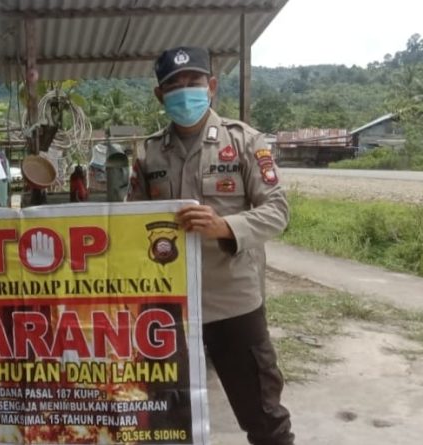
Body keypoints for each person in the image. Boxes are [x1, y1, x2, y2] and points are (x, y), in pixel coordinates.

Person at [127, 46, 295, 445]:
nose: (185, 91)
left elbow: (278, 210)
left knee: (262, 413)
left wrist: (225, 226)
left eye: (194, 82)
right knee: (167, 414)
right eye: (174, 85)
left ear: (212, 86)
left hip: (232, 300)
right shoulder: (148, 153)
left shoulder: (245, 142)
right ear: (160, 95)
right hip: (168, 305)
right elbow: (131, 221)